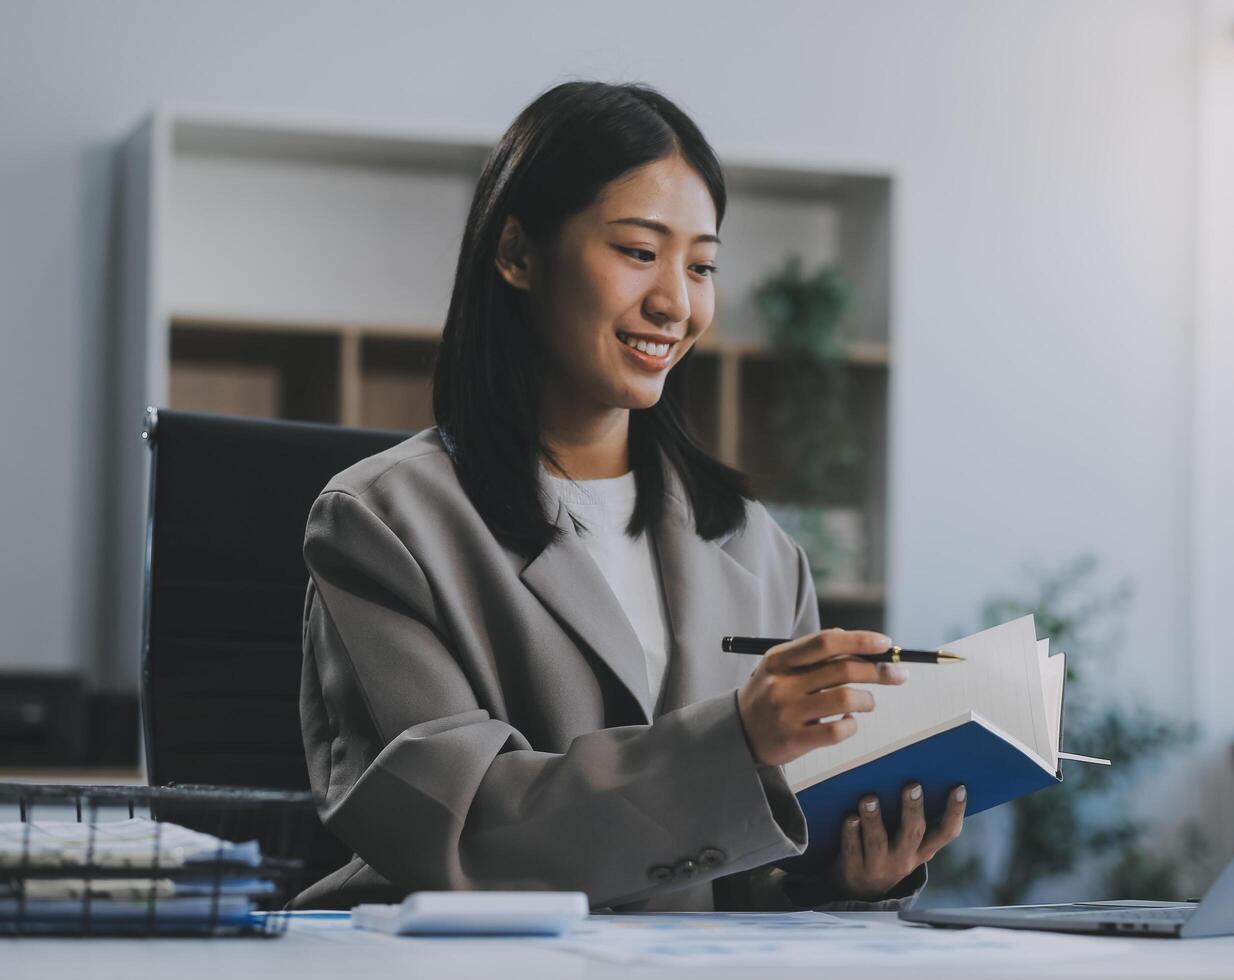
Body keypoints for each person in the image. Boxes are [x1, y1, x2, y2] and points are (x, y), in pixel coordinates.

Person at [291, 80, 966, 912]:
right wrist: (736, 741)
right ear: (517, 253)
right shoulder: (381, 523)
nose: (675, 303)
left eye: (702, 265)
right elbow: (456, 833)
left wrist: (843, 874)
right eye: (639, 252)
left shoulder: (756, 548)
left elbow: (736, 874)